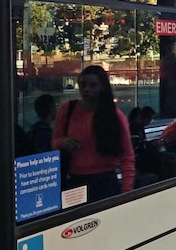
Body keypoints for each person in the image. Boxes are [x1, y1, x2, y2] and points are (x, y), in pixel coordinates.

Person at [52, 65, 135, 200]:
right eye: (83, 85)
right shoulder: (67, 110)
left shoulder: (114, 116)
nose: (86, 90)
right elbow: (54, 142)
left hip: (105, 181)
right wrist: (62, 142)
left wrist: (126, 192)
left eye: (92, 85)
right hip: (74, 179)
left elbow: (127, 156)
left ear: (102, 87)